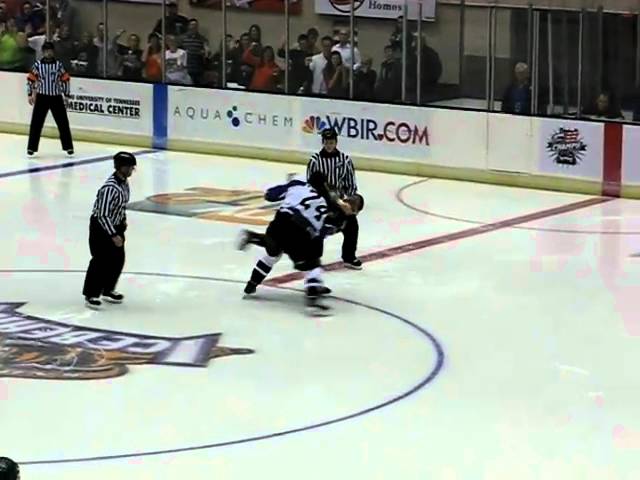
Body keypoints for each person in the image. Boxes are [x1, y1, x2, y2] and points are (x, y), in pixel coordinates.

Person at [238, 172, 363, 315]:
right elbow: (321, 234)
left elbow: (270, 195)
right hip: (300, 230)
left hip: (279, 221)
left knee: (273, 252)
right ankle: (313, 302)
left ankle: (251, 284)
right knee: (312, 266)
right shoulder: (339, 215)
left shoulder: (300, 184)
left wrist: (288, 188)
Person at [82, 152, 137, 309]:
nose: (132, 170)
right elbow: (102, 214)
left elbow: (121, 205)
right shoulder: (110, 188)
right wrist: (113, 235)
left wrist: (122, 220)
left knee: (117, 260)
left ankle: (107, 289)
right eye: (130, 167)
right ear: (121, 167)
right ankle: (91, 294)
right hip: (102, 227)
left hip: (116, 226)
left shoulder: (124, 183)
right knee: (100, 261)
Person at [307, 128, 361, 269]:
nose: (329, 145)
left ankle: (349, 257)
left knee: (352, 225)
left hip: (340, 202)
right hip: (321, 202)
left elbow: (350, 183)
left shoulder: (345, 160)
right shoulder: (315, 160)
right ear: (323, 142)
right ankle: (314, 259)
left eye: (331, 142)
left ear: (336, 142)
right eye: (326, 142)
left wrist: (349, 200)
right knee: (318, 229)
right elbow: (310, 183)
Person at [26, 40, 73, 156]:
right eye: (46, 51)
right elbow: (30, 80)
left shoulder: (58, 65)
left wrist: (66, 95)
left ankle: (68, 146)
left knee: (63, 122)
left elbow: (65, 79)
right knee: (36, 123)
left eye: (50, 51)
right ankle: (31, 147)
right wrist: (30, 94)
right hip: (42, 97)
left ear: (53, 52)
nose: (48, 53)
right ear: (43, 52)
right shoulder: (38, 65)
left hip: (56, 97)